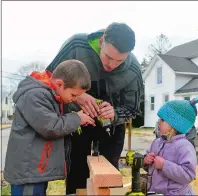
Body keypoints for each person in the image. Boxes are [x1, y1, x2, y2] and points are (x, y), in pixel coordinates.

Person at [46, 22, 143, 194]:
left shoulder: (133, 70)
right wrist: (78, 96)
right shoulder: (76, 46)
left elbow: (133, 108)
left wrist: (115, 113)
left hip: (111, 130)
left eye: (119, 61)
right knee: (76, 174)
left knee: (109, 177)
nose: (111, 65)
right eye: (108, 57)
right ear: (101, 42)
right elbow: (49, 79)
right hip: (77, 124)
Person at [4, 60, 95, 196]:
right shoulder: (35, 95)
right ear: (59, 84)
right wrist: (77, 119)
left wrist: (76, 120)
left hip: (35, 170)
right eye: (74, 95)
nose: (75, 99)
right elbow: (51, 127)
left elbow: (54, 120)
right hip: (28, 173)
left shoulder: (49, 95)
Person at [143, 97, 198, 195]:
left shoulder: (184, 147)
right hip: (156, 192)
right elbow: (149, 168)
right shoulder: (156, 143)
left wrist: (164, 165)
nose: (158, 121)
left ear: (175, 125)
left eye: (162, 119)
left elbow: (188, 175)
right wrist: (146, 161)